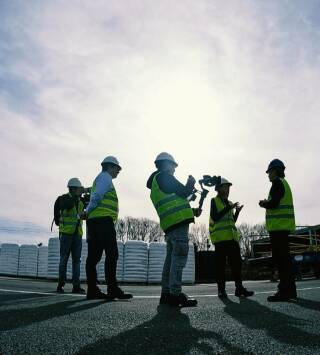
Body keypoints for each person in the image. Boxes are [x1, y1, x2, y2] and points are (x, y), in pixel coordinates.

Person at [147, 152, 201, 307]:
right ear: (166, 164)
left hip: (170, 225)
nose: (174, 170)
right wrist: (190, 183)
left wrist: (191, 211)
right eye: (173, 166)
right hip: (178, 225)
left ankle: (166, 294)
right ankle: (175, 294)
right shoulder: (164, 176)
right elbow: (184, 192)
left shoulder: (156, 184)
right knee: (178, 259)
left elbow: (176, 200)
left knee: (170, 261)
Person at [82, 156, 132, 300]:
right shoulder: (105, 177)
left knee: (93, 257)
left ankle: (92, 290)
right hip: (103, 222)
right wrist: (87, 211)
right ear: (110, 167)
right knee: (112, 254)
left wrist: (88, 213)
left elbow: (95, 196)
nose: (118, 171)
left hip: (94, 223)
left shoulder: (98, 179)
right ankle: (112, 289)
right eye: (117, 168)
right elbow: (97, 197)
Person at [209, 177, 254, 299]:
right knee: (220, 267)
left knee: (236, 265)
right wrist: (229, 208)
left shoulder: (229, 203)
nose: (228, 189)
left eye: (228, 187)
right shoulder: (214, 201)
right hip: (220, 240)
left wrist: (237, 212)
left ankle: (239, 289)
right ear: (218, 189)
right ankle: (221, 291)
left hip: (232, 239)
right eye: (225, 187)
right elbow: (215, 217)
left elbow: (232, 221)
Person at [259, 159, 297, 302]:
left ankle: (284, 290)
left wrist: (263, 204)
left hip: (278, 229)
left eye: (269, 172)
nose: (268, 175)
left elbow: (274, 204)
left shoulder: (277, 183)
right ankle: (291, 290)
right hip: (283, 228)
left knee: (281, 261)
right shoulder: (284, 184)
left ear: (275, 171)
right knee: (286, 260)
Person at [56, 178, 86, 294]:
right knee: (64, 259)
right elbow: (66, 206)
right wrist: (76, 197)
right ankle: (60, 285)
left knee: (77, 261)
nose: (80, 191)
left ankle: (76, 286)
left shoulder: (80, 201)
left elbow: (83, 214)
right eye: (79, 189)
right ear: (73, 189)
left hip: (77, 234)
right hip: (66, 234)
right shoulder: (64, 198)